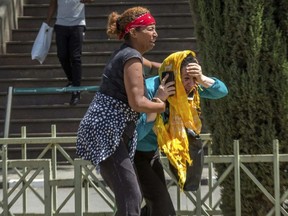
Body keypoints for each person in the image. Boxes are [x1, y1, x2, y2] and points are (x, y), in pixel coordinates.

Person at [76, 7, 166, 216]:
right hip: (106, 130)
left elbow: (152, 65)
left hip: (111, 130)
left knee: (131, 195)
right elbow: (138, 103)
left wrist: (174, 67)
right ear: (134, 32)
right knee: (131, 196)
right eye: (150, 29)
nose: (155, 33)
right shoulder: (131, 57)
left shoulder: (129, 54)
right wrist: (162, 105)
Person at [134, 50, 228, 216]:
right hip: (132, 153)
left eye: (194, 79)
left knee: (154, 208)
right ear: (171, 76)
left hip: (151, 152)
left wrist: (202, 78)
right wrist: (158, 101)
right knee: (162, 209)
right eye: (186, 78)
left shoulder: (190, 88)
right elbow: (137, 134)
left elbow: (221, 92)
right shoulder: (150, 89)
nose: (191, 84)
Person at [46, 0, 94, 105]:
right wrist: (47, 21)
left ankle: (76, 91)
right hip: (60, 25)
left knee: (75, 57)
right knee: (62, 55)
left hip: (77, 24)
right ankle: (72, 80)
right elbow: (53, 3)